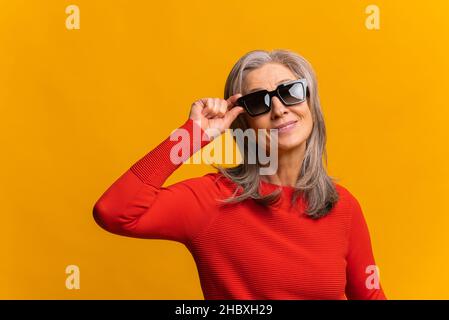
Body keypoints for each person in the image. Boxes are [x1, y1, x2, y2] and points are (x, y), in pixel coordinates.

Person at [93, 49, 387, 300]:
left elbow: (371, 295)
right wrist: (193, 135)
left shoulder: (342, 206)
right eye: (259, 101)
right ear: (244, 123)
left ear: (311, 103)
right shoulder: (212, 200)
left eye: (290, 91)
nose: (279, 109)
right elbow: (114, 211)